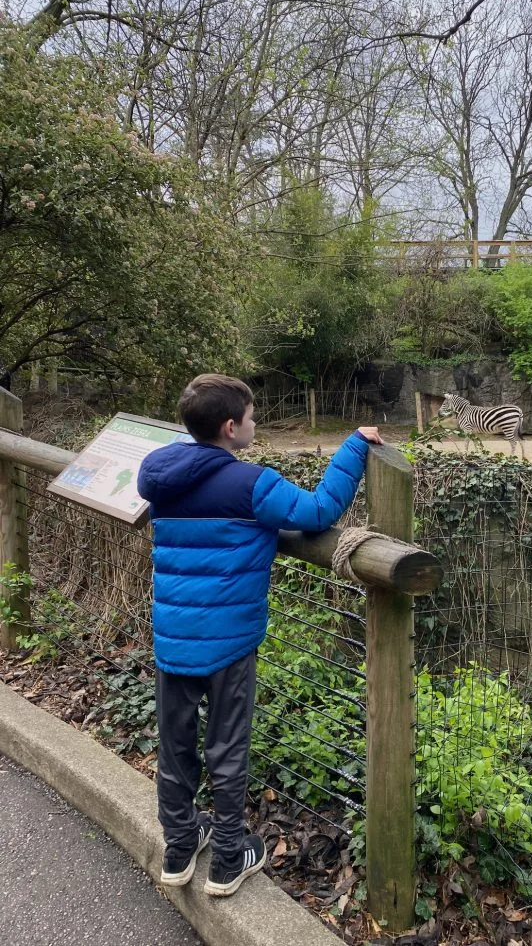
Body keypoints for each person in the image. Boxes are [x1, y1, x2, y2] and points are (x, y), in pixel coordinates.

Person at [137, 373, 383, 897]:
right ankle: (229, 856)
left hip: (173, 639)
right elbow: (318, 512)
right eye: (251, 417)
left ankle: (179, 848)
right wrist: (355, 446)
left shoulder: (160, 475)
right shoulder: (250, 484)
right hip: (229, 644)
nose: (255, 423)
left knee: (175, 746)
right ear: (231, 427)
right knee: (226, 748)